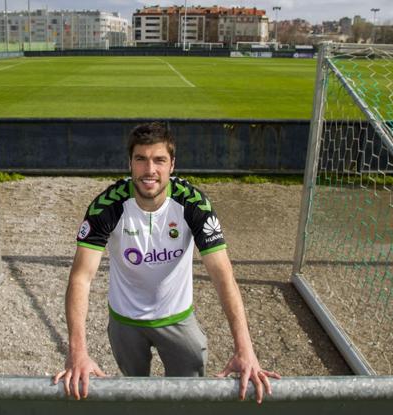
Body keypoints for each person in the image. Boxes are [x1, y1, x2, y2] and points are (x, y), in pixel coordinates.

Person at [53, 122, 280, 402]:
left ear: (172, 164)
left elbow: (222, 275)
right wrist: (77, 352)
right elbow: (81, 278)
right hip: (125, 321)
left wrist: (245, 349)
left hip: (178, 317)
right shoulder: (105, 207)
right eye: (141, 159)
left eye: (159, 160)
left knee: (189, 397)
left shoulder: (194, 204)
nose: (150, 170)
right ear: (130, 163)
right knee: (133, 396)